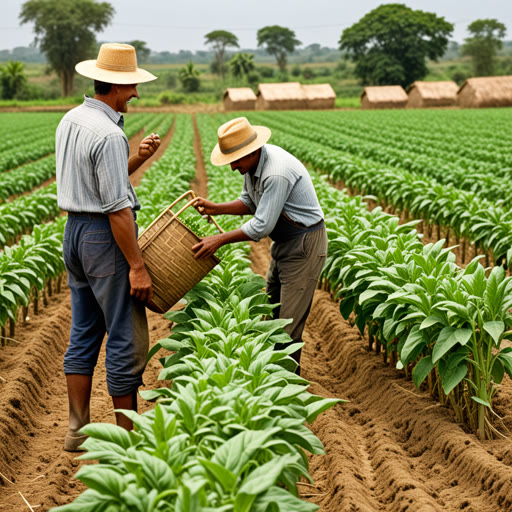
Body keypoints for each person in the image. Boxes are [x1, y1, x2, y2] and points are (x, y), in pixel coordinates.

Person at [55, 43, 161, 451]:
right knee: (123, 335)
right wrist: (136, 265)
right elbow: (117, 208)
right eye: (132, 86)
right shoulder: (108, 133)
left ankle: (76, 429)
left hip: (75, 234)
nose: (136, 94)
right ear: (117, 86)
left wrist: (138, 157)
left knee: (83, 332)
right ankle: (125, 439)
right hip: (105, 237)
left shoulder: (72, 120)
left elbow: (100, 184)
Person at [192, 117, 327, 375]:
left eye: (236, 160)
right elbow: (250, 201)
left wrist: (218, 240)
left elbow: (261, 226)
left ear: (252, 151)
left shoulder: (276, 172)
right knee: (271, 314)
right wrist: (217, 209)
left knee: (287, 327)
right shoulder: (254, 166)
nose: (233, 167)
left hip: (304, 245)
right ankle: (271, 378)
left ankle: (286, 386)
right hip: (285, 243)